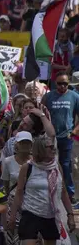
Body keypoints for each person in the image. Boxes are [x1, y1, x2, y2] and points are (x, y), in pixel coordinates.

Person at [9, 136, 76, 245]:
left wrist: (70, 215)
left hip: (50, 214)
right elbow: (19, 192)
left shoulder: (55, 166)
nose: (53, 149)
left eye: (53, 147)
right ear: (40, 149)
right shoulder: (28, 167)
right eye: (49, 147)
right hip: (31, 213)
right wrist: (13, 216)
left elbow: (64, 192)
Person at [1, 131, 44, 245]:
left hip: (33, 206)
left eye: (28, 143)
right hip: (14, 205)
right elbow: (6, 187)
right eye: (22, 143)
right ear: (17, 144)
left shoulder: (37, 163)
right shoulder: (7, 162)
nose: (25, 146)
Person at [41, 71, 79, 201]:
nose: (62, 86)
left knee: (66, 165)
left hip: (66, 137)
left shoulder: (74, 96)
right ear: (55, 83)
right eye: (59, 84)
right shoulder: (48, 97)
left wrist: (74, 130)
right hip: (50, 136)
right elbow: (41, 114)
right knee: (49, 164)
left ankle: (69, 193)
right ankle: (50, 190)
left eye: (65, 84)